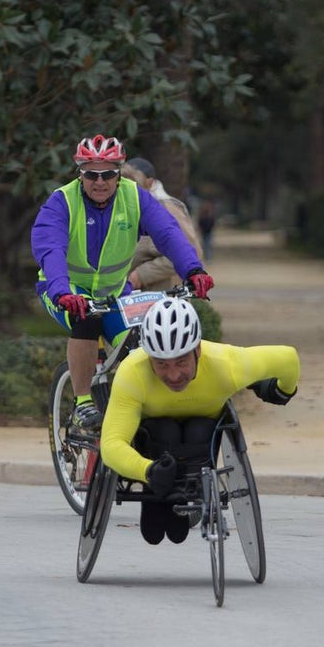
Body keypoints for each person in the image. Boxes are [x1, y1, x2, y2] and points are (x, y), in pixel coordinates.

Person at [31, 134, 214, 433]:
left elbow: (167, 233)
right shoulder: (61, 201)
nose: (99, 181)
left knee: (141, 345)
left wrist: (193, 270)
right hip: (65, 291)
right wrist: (62, 291)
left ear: (119, 173)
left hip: (116, 293)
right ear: (80, 173)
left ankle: (136, 407)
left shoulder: (135, 196)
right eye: (91, 174)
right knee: (87, 320)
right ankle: (82, 403)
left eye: (108, 174)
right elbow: (50, 249)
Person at [100, 297, 299, 545]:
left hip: (203, 433)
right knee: (165, 430)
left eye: (182, 362)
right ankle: (159, 494)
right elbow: (110, 445)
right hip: (154, 444)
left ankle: (181, 495)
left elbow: (288, 359)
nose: (173, 375)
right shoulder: (132, 372)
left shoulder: (226, 364)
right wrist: (147, 471)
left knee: (198, 429)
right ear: (149, 358)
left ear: (198, 351)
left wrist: (281, 390)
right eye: (161, 364)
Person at [122, 157, 204, 292]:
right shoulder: (126, 207)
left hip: (160, 298)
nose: (128, 185)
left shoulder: (168, 208)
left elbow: (192, 252)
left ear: (150, 182)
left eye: (133, 180)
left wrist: (141, 275)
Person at [196, 198, 216, 262]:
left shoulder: (211, 215)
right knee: (204, 244)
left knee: (208, 244)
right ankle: (205, 256)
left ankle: (208, 257)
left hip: (209, 231)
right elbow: (199, 222)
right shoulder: (202, 215)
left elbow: (213, 222)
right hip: (204, 231)